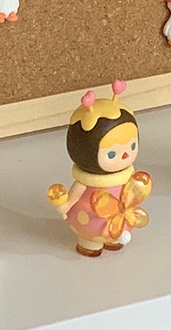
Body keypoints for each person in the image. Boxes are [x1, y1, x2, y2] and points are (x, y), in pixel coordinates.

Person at [46, 81, 152, 257]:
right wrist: (64, 205)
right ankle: (90, 243)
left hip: (122, 220)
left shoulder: (126, 177)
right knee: (90, 236)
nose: (125, 155)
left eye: (132, 146)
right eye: (112, 154)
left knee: (117, 233)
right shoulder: (84, 183)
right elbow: (72, 199)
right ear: (84, 150)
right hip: (88, 224)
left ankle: (114, 239)